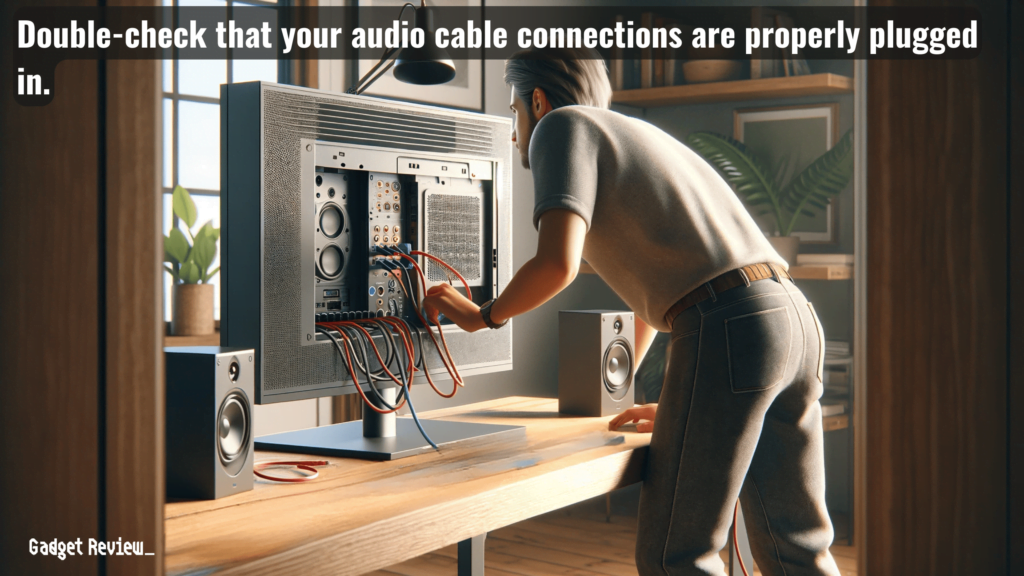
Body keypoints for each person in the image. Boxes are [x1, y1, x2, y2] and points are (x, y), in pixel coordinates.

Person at [421, 47, 840, 576]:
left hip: (734, 327)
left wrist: (480, 315)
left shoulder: (561, 126)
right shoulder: (634, 137)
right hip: (792, 318)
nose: (514, 132)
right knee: (796, 549)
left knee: (677, 557)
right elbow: (657, 295)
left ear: (539, 99)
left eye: (513, 113)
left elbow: (556, 264)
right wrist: (688, 405)